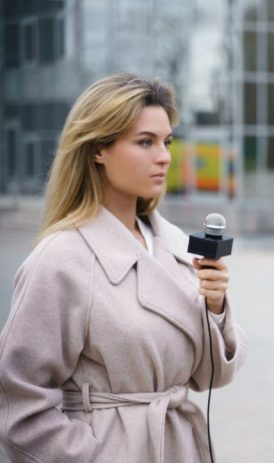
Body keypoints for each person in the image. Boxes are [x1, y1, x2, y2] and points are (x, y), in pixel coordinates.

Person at [0, 73, 248, 462]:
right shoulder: (61, 260)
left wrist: (215, 309)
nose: (164, 156)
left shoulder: (177, 246)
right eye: (145, 142)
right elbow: (20, 406)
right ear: (99, 149)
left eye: (166, 142)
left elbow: (209, 377)